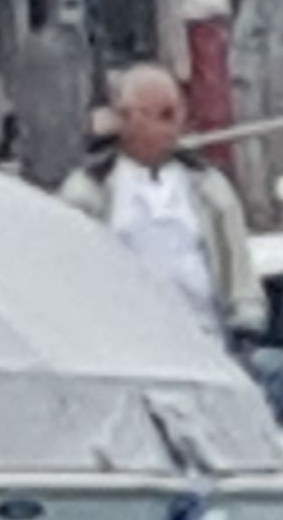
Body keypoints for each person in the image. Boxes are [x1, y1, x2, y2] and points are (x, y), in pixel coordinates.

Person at [55, 63, 265, 344]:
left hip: (208, 339)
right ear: (128, 119)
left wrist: (246, 324)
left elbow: (238, 269)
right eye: (165, 115)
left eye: (178, 112)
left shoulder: (209, 186)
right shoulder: (85, 194)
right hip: (126, 345)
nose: (177, 124)